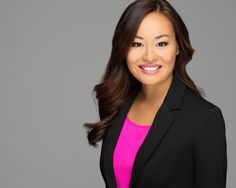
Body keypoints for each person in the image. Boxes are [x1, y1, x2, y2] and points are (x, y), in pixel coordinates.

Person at [83, 0, 228, 187]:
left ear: (178, 47)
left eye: (161, 43)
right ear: (123, 48)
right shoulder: (117, 104)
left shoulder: (204, 119)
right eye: (136, 44)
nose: (149, 56)